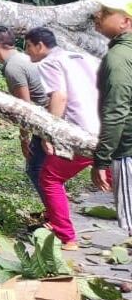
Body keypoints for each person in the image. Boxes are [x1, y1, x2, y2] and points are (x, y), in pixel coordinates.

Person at [23, 27, 99, 250]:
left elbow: (59, 96)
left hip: (81, 132)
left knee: (50, 178)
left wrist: (50, 132)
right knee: (117, 179)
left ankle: (66, 236)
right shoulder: (80, 57)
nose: (28, 54)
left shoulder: (49, 63)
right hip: (105, 126)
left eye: (28, 47)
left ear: (39, 45)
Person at [0, 26, 49, 195]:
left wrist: (23, 138)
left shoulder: (13, 67)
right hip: (47, 114)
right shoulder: (22, 57)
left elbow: (24, 108)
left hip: (43, 118)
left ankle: (56, 217)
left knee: (36, 169)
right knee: (43, 169)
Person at [91, 0, 132, 235]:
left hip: (127, 151)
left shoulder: (118, 57)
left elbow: (117, 110)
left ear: (126, 21)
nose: (99, 16)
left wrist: (101, 160)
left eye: (106, 12)